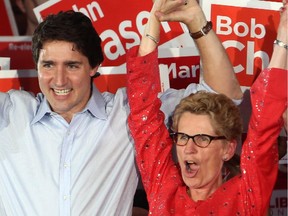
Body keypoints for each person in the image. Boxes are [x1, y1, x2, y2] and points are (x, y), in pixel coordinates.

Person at [0, 1, 242, 215]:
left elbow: (222, 100)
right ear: (36, 66)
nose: (59, 80)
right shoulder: (11, 112)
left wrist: (197, 22)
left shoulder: (127, 112)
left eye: (72, 66)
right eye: (49, 65)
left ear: (94, 66)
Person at [127, 0, 288, 215]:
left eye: (203, 138)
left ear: (228, 149)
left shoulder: (245, 197)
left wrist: (285, 36)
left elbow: (264, 127)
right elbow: (144, 115)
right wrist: (154, 19)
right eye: (183, 137)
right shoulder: (165, 192)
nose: (189, 148)